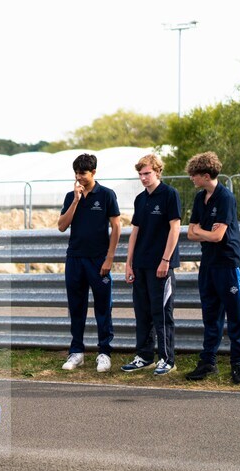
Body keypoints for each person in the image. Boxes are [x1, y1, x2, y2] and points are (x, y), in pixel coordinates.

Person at [184, 152, 240, 384]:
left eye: (194, 175)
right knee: (211, 315)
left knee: (236, 316)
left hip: (228, 264)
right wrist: (204, 233)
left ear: (206, 175)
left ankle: (238, 363)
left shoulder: (225, 197)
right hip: (208, 264)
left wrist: (203, 233)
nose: (192, 178)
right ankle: (208, 362)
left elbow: (219, 236)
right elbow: (191, 233)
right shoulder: (200, 198)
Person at [57, 153, 121, 372]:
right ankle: (76, 352)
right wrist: (75, 200)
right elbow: (62, 226)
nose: (79, 177)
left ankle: (104, 352)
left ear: (93, 172)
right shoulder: (70, 196)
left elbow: (117, 227)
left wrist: (109, 258)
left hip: (98, 260)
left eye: (82, 173)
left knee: (103, 307)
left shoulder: (106, 195)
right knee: (76, 307)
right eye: (76, 173)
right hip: (74, 258)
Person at [122, 154, 182, 376]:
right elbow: (135, 231)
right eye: (140, 174)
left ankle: (167, 358)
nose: (143, 178)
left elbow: (175, 228)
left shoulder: (169, 195)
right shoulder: (140, 199)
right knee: (142, 312)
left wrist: (165, 259)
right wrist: (128, 263)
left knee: (162, 313)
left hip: (161, 265)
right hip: (141, 264)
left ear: (157, 172)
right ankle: (144, 356)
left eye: (147, 173)